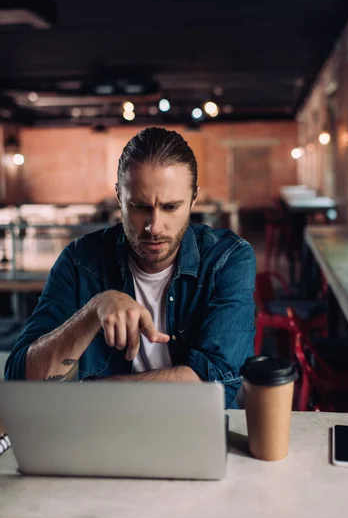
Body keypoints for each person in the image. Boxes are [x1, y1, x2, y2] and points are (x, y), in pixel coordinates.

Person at [5, 127, 256, 408]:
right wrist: (94, 311)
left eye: (171, 207)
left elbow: (218, 381)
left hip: (187, 422)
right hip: (100, 432)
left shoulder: (227, 259)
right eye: (139, 206)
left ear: (193, 199)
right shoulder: (79, 261)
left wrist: (83, 396)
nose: (154, 227)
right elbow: (21, 381)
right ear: (119, 197)